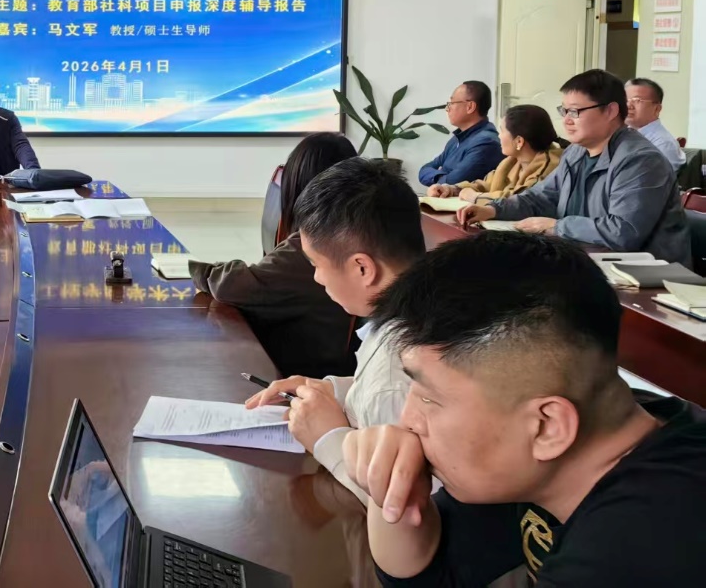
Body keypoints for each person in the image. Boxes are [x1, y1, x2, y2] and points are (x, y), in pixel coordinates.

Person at [342, 233, 706, 587]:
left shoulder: (637, 553)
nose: (408, 420)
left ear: (547, 427)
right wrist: (388, 486)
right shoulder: (577, 440)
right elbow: (430, 573)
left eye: (429, 398)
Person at [245, 158, 427, 501]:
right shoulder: (416, 309)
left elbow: (400, 504)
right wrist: (332, 390)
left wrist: (328, 439)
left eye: (316, 264)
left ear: (362, 269)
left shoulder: (393, 378)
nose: (316, 278)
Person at [459, 70, 691, 265]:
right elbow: (541, 198)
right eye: (564, 111)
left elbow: (623, 232)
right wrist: (493, 210)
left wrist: (558, 226)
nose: (566, 120)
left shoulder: (640, 160)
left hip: (646, 280)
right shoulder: (576, 152)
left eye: (575, 112)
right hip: (586, 263)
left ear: (610, 111)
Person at [191, 133, 360, 377]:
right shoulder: (349, 231)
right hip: (323, 365)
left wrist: (191, 269)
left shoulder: (312, 245)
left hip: (306, 375)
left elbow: (231, 285)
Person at [425, 104, 564, 203]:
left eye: (502, 131)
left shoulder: (549, 166)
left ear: (519, 141)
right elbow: (485, 184)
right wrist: (451, 189)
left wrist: (474, 197)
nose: (499, 136)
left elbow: (519, 200)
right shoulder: (512, 161)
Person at [418, 81, 504, 188]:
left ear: (470, 107)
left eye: (452, 103)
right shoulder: (457, 139)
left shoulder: (486, 143)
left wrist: (439, 174)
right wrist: (442, 176)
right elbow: (424, 170)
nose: (447, 109)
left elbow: (453, 183)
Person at [626, 77, 686, 169]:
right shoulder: (623, 134)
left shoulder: (663, 144)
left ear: (657, 109)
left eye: (637, 100)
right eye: (625, 100)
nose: (628, 106)